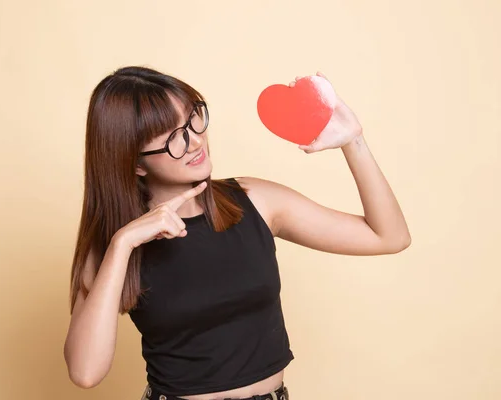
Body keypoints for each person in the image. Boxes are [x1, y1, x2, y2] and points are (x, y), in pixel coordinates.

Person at [63, 66, 411, 400]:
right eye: (174, 139)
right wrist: (122, 244)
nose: (196, 141)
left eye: (194, 120)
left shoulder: (255, 201)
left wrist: (353, 141)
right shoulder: (118, 245)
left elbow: (389, 237)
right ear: (135, 162)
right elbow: (85, 373)